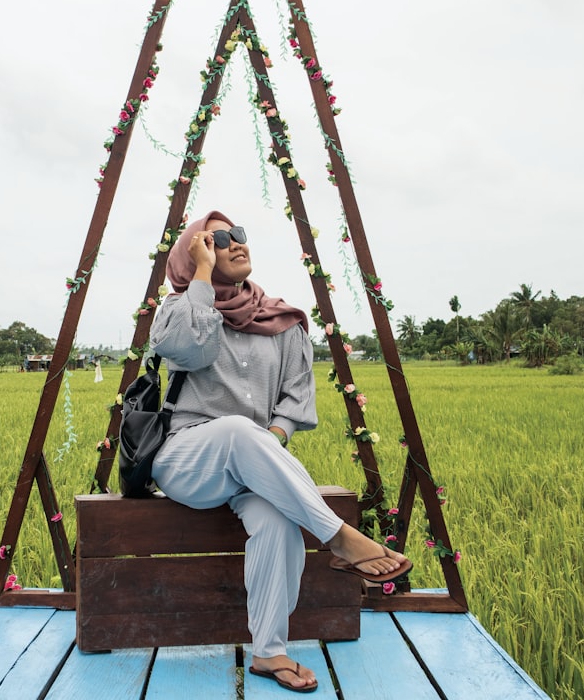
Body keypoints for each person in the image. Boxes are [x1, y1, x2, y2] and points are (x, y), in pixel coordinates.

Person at [150, 210, 413, 694]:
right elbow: (191, 349)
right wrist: (202, 275)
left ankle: (269, 652)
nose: (235, 244)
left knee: (277, 523)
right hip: (189, 459)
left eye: (238, 234)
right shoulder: (179, 309)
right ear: (192, 255)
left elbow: (295, 397)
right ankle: (339, 538)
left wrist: (271, 437)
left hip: (254, 463)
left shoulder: (282, 320)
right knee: (237, 430)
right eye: (217, 240)